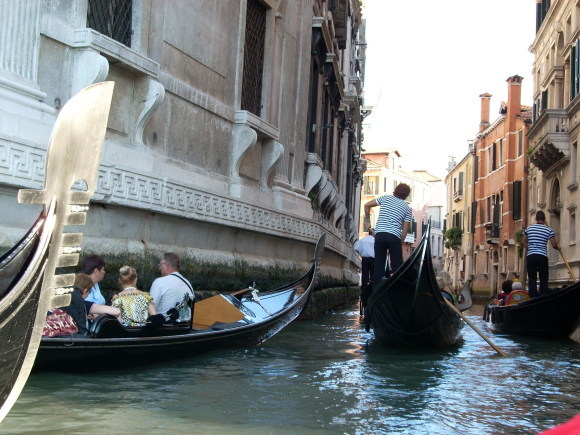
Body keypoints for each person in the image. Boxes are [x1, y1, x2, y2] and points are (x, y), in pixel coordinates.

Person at [363, 183, 412, 289]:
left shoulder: (385, 198)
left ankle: (376, 292)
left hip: (380, 235)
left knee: (378, 266)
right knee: (397, 267)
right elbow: (405, 229)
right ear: (406, 195)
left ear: (396, 190)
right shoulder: (407, 208)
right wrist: (400, 243)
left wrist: (367, 222)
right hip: (394, 237)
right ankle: (396, 291)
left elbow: (366, 205)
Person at [522, 211, 560, 298]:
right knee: (543, 277)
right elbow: (554, 245)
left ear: (536, 219)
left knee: (532, 278)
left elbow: (523, 241)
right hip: (542, 256)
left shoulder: (529, 229)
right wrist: (558, 247)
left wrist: (530, 248)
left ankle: (533, 297)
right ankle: (543, 295)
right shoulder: (548, 230)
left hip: (531, 256)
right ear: (544, 219)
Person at [150, 252, 194, 321]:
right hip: (186, 328)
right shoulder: (188, 284)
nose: (159, 268)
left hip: (165, 329)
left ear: (167, 265)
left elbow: (151, 308)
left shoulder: (159, 282)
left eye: (160, 265)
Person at [354, 229, 375, 293]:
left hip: (365, 259)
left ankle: (364, 290)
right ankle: (372, 290)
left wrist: (361, 254)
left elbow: (356, 248)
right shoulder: (375, 240)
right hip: (373, 259)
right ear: (374, 234)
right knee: (373, 275)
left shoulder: (362, 240)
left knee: (365, 275)